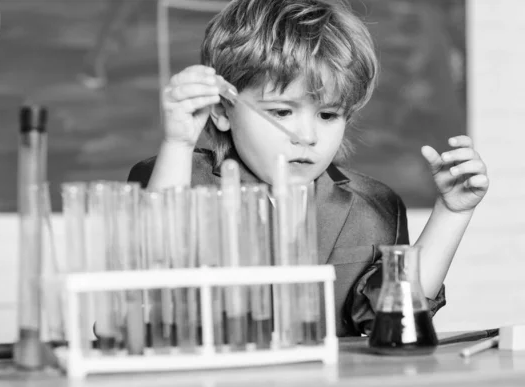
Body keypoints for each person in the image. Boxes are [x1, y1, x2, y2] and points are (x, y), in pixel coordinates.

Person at [127, 0, 489, 336]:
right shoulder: (178, 179)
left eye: (328, 115)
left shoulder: (374, 206)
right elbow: (144, 296)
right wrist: (177, 144)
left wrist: (452, 212)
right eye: (282, 111)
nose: (307, 136)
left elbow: (391, 314)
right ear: (222, 110)